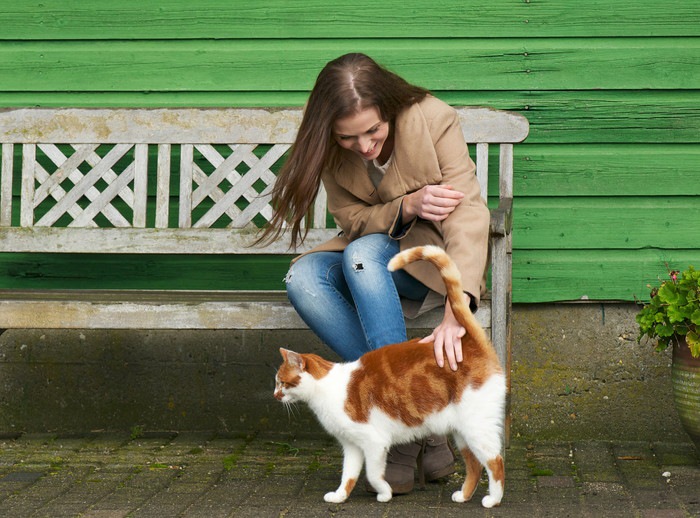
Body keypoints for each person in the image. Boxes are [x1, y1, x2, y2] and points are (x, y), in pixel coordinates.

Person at [258, 53, 490, 494]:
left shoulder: (433, 119)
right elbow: (352, 220)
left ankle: (401, 429)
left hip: (426, 261)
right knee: (304, 278)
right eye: (349, 137)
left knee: (363, 254)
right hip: (366, 252)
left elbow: (469, 216)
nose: (364, 146)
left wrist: (457, 309)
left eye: (374, 131)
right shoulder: (327, 148)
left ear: (389, 108)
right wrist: (406, 205)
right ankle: (424, 420)